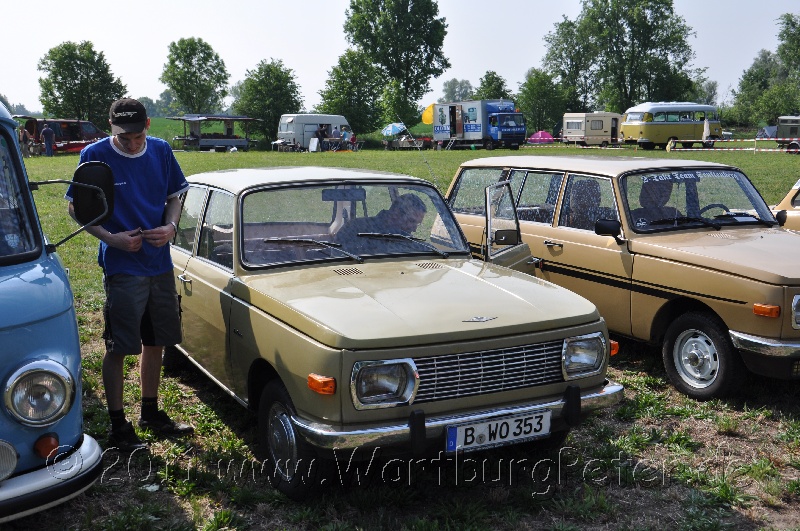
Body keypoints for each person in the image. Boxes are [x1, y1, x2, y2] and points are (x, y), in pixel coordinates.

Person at [65, 98, 192, 452]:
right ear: (110, 128)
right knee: (120, 346)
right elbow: (76, 207)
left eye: (136, 136)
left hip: (159, 264)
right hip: (123, 268)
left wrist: (170, 227)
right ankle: (119, 426)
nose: (131, 143)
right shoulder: (93, 154)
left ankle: (150, 412)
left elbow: (175, 197)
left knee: (156, 342)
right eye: (123, 137)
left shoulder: (163, 152)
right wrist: (111, 238)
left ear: (147, 125)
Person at [335, 193, 427, 253]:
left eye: (417, 224)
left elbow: (423, 248)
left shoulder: (405, 237)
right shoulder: (354, 228)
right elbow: (338, 257)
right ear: (396, 214)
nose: (414, 229)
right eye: (411, 221)